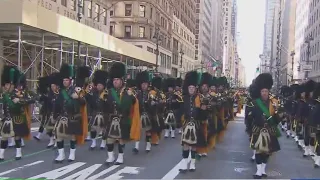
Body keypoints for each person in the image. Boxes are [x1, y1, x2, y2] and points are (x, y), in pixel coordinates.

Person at [104, 62, 140, 165]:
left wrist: (130, 97)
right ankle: (110, 157)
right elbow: (105, 107)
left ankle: (120, 156)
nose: (115, 82)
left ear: (122, 80)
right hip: (111, 119)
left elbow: (133, 105)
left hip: (123, 119)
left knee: (121, 140)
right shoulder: (108, 92)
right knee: (109, 140)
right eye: (114, 80)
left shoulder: (128, 91)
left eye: (117, 80)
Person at [54, 64, 90, 163]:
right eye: (64, 80)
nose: (65, 82)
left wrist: (78, 97)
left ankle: (72, 154)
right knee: (58, 135)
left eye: (67, 80)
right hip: (62, 117)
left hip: (73, 116)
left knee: (72, 136)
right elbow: (58, 104)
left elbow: (84, 102)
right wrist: (55, 115)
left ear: (70, 81)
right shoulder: (61, 92)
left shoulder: (77, 90)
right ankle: (61, 155)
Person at [0, 66, 34, 160]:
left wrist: (19, 100)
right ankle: (1, 155)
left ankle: (18, 153)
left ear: (12, 85)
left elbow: (32, 99)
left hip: (17, 118)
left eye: (8, 84)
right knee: (4, 137)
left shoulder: (19, 94)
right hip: (6, 119)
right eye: (5, 85)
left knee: (17, 137)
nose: (6, 86)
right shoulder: (4, 95)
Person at [250, 73, 281, 179]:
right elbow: (251, 117)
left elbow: (277, 120)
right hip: (258, 129)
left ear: (268, 92)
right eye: (263, 91)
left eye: (266, 91)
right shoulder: (255, 102)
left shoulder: (274, 103)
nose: (264, 93)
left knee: (267, 152)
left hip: (270, 129)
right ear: (260, 92)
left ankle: (263, 170)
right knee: (259, 151)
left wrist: (276, 112)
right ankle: (258, 171)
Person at [179, 71, 207, 172]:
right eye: (190, 88)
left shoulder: (200, 98)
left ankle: (193, 163)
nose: (191, 89)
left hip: (196, 124)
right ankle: (184, 163)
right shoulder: (184, 98)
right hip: (186, 123)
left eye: (193, 88)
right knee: (186, 144)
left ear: (196, 89)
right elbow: (180, 111)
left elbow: (204, 115)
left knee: (194, 145)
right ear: (187, 88)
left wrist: (203, 110)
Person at [87, 70, 108, 150]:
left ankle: (103, 142)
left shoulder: (106, 93)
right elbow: (90, 103)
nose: (99, 86)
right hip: (95, 112)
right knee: (92, 128)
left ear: (103, 86)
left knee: (103, 128)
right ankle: (93, 142)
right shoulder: (93, 92)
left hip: (103, 113)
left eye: (100, 85)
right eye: (98, 85)